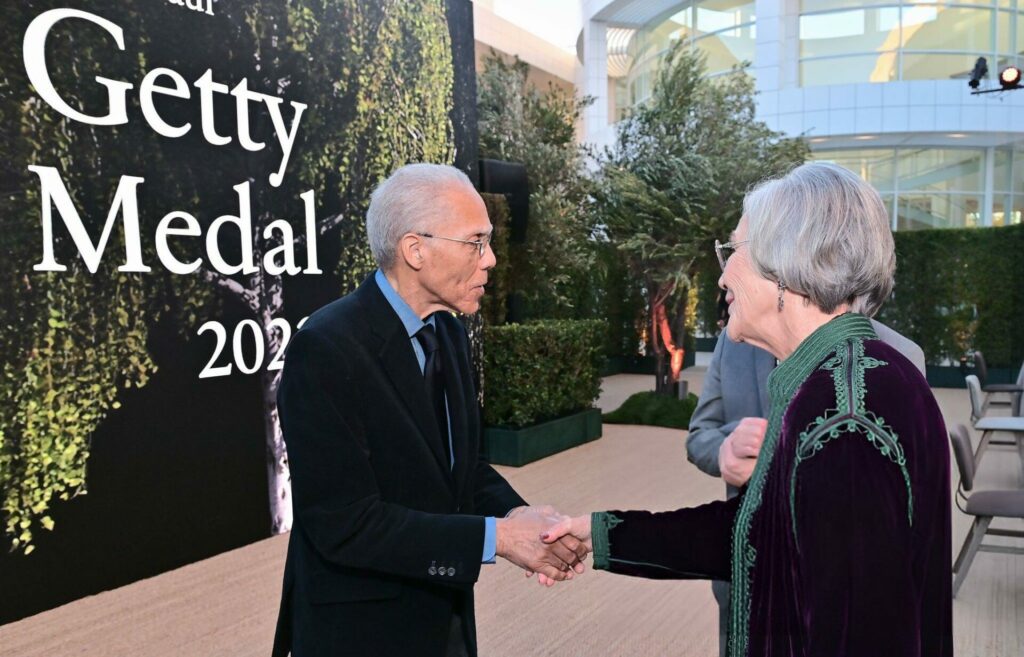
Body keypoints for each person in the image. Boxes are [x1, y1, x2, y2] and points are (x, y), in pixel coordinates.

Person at [544, 162, 952, 656]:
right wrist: (599, 532)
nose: (722, 275)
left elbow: (860, 634)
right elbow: (759, 536)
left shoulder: (845, 414)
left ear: (785, 264)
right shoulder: (841, 378)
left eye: (733, 250)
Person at [271, 164, 587, 657]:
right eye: (476, 242)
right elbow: (345, 523)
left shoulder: (449, 331)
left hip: (445, 617)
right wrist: (500, 537)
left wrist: (520, 515)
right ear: (415, 250)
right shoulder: (326, 348)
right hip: (361, 631)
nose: (492, 260)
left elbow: (461, 470)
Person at [688, 312, 926, 657]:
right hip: (747, 579)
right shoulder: (733, 340)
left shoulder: (900, 352)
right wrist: (723, 449)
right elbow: (699, 435)